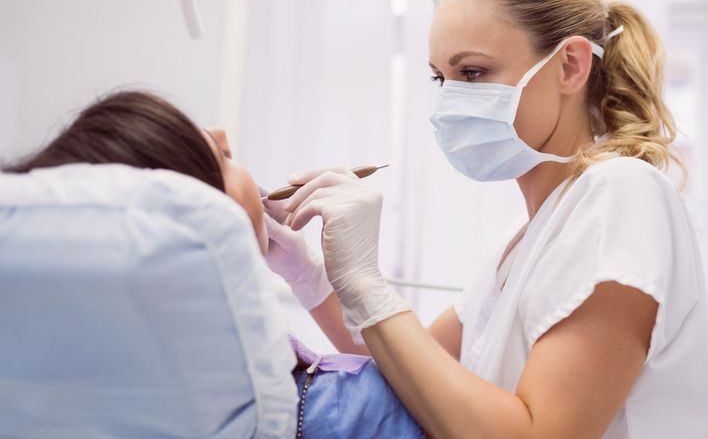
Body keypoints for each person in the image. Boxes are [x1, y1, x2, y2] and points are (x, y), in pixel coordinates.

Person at [269, 0, 708, 438]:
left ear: (570, 66)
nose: (449, 102)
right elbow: (410, 371)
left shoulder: (620, 195)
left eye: (472, 73)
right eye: (441, 78)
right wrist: (307, 272)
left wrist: (369, 284)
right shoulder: (526, 238)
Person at [4, 89, 423, 438]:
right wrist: (359, 285)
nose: (221, 132)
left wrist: (310, 281)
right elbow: (438, 398)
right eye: (222, 159)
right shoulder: (342, 407)